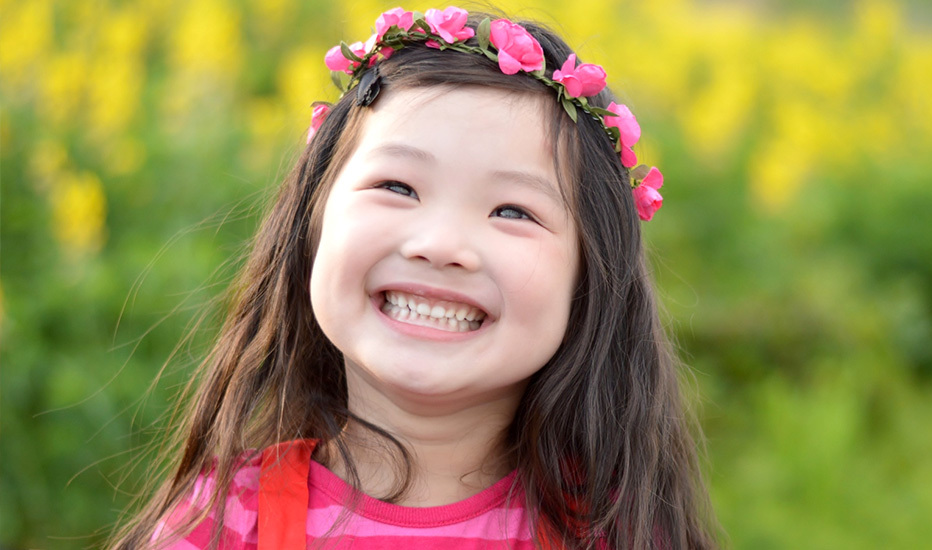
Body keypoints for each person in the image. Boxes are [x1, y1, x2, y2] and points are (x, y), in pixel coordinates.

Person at [111, 6, 717, 549]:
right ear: (312, 223)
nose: (442, 246)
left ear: (588, 281)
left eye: (513, 211)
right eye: (397, 187)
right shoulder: (224, 523)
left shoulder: (615, 534)